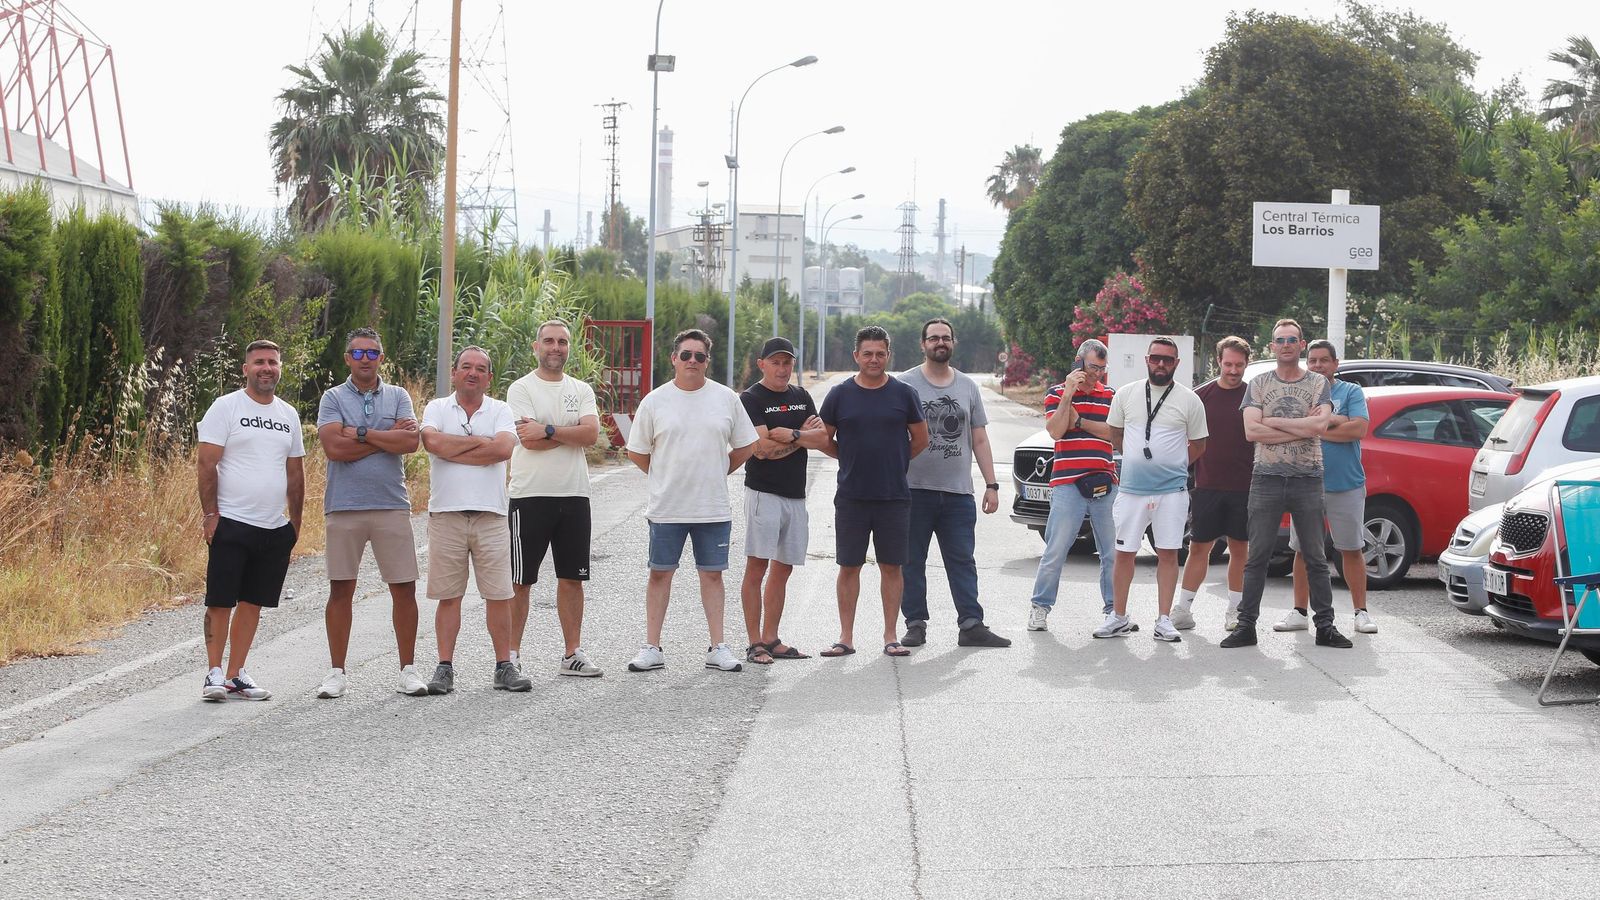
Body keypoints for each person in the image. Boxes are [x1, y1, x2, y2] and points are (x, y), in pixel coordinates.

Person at [624, 329, 759, 673]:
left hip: (711, 506)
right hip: (667, 507)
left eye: (700, 356)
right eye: (686, 355)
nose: (693, 362)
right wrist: (663, 475)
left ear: (707, 361)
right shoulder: (655, 401)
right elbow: (637, 451)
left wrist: (719, 470)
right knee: (660, 574)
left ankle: (718, 646)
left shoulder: (726, 398)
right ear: (674, 358)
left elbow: (747, 444)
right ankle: (652, 646)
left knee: (712, 576)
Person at [1222, 319, 1354, 649]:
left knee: (1315, 556)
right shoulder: (1259, 384)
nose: (1285, 345)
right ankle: (1246, 626)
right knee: (1257, 557)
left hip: (1307, 478)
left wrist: (1273, 421)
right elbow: (1251, 432)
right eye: (1279, 339)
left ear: (1301, 344)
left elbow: (1321, 425)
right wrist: (1302, 425)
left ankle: (1325, 626)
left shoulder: (1318, 383)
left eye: (1291, 339)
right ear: (1272, 346)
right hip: (1266, 477)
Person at [314, 327, 428, 698]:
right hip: (344, 506)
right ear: (347, 358)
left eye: (372, 353)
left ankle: (408, 669)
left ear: (382, 357)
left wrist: (358, 433)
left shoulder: (398, 396)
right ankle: (336, 672)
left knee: (404, 587)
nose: (365, 359)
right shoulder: (332, 397)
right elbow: (334, 449)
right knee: (341, 588)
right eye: (358, 353)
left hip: (391, 504)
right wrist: (382, 436)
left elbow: (410, 442)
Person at [196, 340, 305, 701]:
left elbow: (296, 471)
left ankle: (235, 674)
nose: (266, 368)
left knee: (253, 602)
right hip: (232, 522)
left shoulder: (288, 414)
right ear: (246, 369)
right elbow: (206, 463)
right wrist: (211, 514)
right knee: (221, 600)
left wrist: (295, 524)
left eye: (273, 362)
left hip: (273, 528)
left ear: (279, 368)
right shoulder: (226, 407)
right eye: (258, 362)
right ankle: (213, 674)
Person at [418, 346, 530, 694]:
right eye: (466, 367)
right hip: (447, 515)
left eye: (480, 369)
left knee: (498, 594)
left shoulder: (500, 409)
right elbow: (431, 442)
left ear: (489, 378)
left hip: (491, 516)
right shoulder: (437, 407)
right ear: (454, 373)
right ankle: (444, 667)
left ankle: (503, 665)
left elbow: (502, 450)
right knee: (448, 596)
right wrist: (478, 444)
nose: (473, 373)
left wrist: (457, 448)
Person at [897, 318, 1010, 648]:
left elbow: (980, 438)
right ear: (923, 344)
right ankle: (915, 624)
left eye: (945, 338)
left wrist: (992, 484)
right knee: (911, 561)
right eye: (933, 338)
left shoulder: (967, 386)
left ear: (953, 343)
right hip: (914, 490)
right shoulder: (905, 384)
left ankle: (971, 624)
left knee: (963, 560)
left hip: (958, 493)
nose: (939, 343)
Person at [819, 325, 929, 658]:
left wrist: (895, 461)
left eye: (880, 353)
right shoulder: (839, 394)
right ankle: (846, 637)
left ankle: (891, 636)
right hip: (851, 496)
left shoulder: (904, 394)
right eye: (867, 353)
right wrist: (848, 456)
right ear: (856, 356)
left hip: (893, 496)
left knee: (891, 567)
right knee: (849, 567)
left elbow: (921, 439)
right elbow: (824, 438)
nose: (874, 359)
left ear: (888, 355)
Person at [506, 319, 604, 678]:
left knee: (572, 578)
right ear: (536, 347)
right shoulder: (521, 388)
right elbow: (525, 440)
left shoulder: (581, 389)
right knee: (520, 580)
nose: (555, 347)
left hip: (574, 494)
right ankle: (511, 656)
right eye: (548, 341)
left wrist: (547, 428)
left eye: (562, 342)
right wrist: (569, 432)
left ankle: (572, 653)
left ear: (569, 347)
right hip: (529, 495)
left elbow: (592, 434)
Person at [1103, 337, 1208, 642]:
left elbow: (1200, 444)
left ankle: (1164, 620)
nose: (1161, 364)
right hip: (1132, 490)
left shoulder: (1190, 400)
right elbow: (1115, 434)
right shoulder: (1125, 394)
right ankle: (1119, 617)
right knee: (1124, 553)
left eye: (1168, 359)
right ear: (1146, 360)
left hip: (1171, 492)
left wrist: (1172, 465)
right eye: (1156, 358)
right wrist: (1141, 459)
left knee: (1168, 553)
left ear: (1177, 363)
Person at [739, 337, 831, 665]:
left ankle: (771, 638)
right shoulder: (751, 398)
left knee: (784, 568)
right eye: (775, 362)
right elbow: (760, 450)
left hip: (795, 495)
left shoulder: (801, 396)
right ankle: (754, 643)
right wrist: (802, 438)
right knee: (757, 566)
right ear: (762, 364)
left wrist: (792, 435)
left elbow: (823, 439)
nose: (782, 368)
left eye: (787, 362)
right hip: (764, 494)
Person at [1277, 339, 1377, 635]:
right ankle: (1298, 612)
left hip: (1345, 485)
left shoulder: (1351, 391)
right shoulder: (1298, 392)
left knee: (1351, 548)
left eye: (1324, 360)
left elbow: (1358, 429)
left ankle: (1361, 612)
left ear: (1335, 364)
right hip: (1305, 483)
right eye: (1313, 360)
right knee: (1302, 550)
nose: (1318, 365)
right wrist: (1335, 422)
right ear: (1307, 364)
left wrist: (1318, 424)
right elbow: (1289, 430)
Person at [1027, 339, 1118, 633]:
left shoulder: (1111, 395)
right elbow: (1055, 431)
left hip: (1104, 480)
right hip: (1068, 483)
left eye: (1103, 369)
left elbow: (1114, 436)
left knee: (1110, 553)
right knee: (1056, 550)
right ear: (1079, 362)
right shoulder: (1056, 393)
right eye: (1093, 367)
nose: (1098, 375)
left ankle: (1114, 611)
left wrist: (1080, 423)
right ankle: (1040, 608)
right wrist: (1069, 394)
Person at [1176, 336, 1254, 632]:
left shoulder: (1254, 395)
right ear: (1218, 361)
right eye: (1228, 364)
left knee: (1240, 550)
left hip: (1245, 487)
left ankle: (1235, 611)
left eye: (1239, 365)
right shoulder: (1200, 396)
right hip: (1207, 486)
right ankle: (1182, 609)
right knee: (1198, 548)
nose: (1233, 370)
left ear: (1247, 363)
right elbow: (1182, 436)